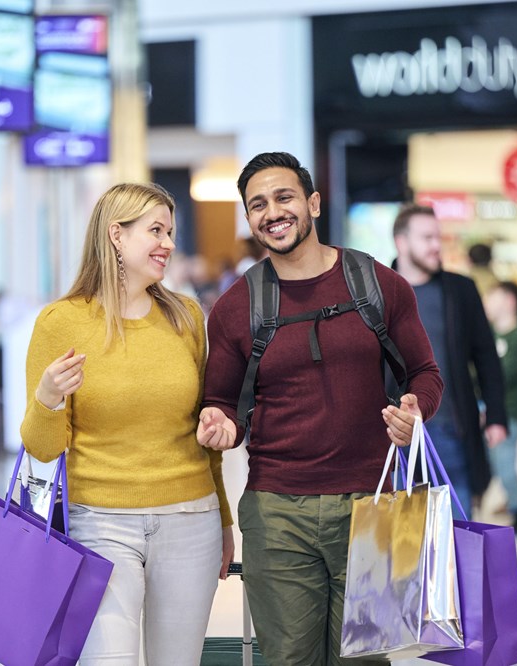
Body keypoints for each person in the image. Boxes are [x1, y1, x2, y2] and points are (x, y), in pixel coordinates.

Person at [199, 152, 444, 665]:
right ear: (249, 219)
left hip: (374, 506)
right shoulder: (235, 307)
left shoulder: (378, 285)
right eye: (257, 205)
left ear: (311, 202)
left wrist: (414, 411)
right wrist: (221, 423)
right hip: (276, 513)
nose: (272, 212)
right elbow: (222, 403)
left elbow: (424, 372)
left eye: (284, 197)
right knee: (290, 659)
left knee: (366, 659)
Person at [19, 183, 234, 665]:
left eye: (171, 232)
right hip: (100, 523)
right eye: (155, 230)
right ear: (116, 234)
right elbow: (42, 448)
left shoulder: (186, 318)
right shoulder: (62, 322)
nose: (168, 243)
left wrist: (222, 518)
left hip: (190, 522)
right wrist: (48, 399)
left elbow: (206, 439)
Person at [393, 204, 507, 517]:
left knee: (456, 536)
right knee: (402, 544)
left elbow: (485, 355)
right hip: (395, 436)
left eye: (437, 237)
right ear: (401, 242)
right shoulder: (379, 291)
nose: (435, 246)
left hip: (451, 432)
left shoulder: (460, 290)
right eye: (426, 237)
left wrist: (496, 415)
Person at [483, 281, 517, 535]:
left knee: (505, 462)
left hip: (510, 412)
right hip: (488, 411)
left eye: (493, 297)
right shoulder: (489, 333)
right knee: (490, 462)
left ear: (510, 301)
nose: (487, 303)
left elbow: (504, 375)